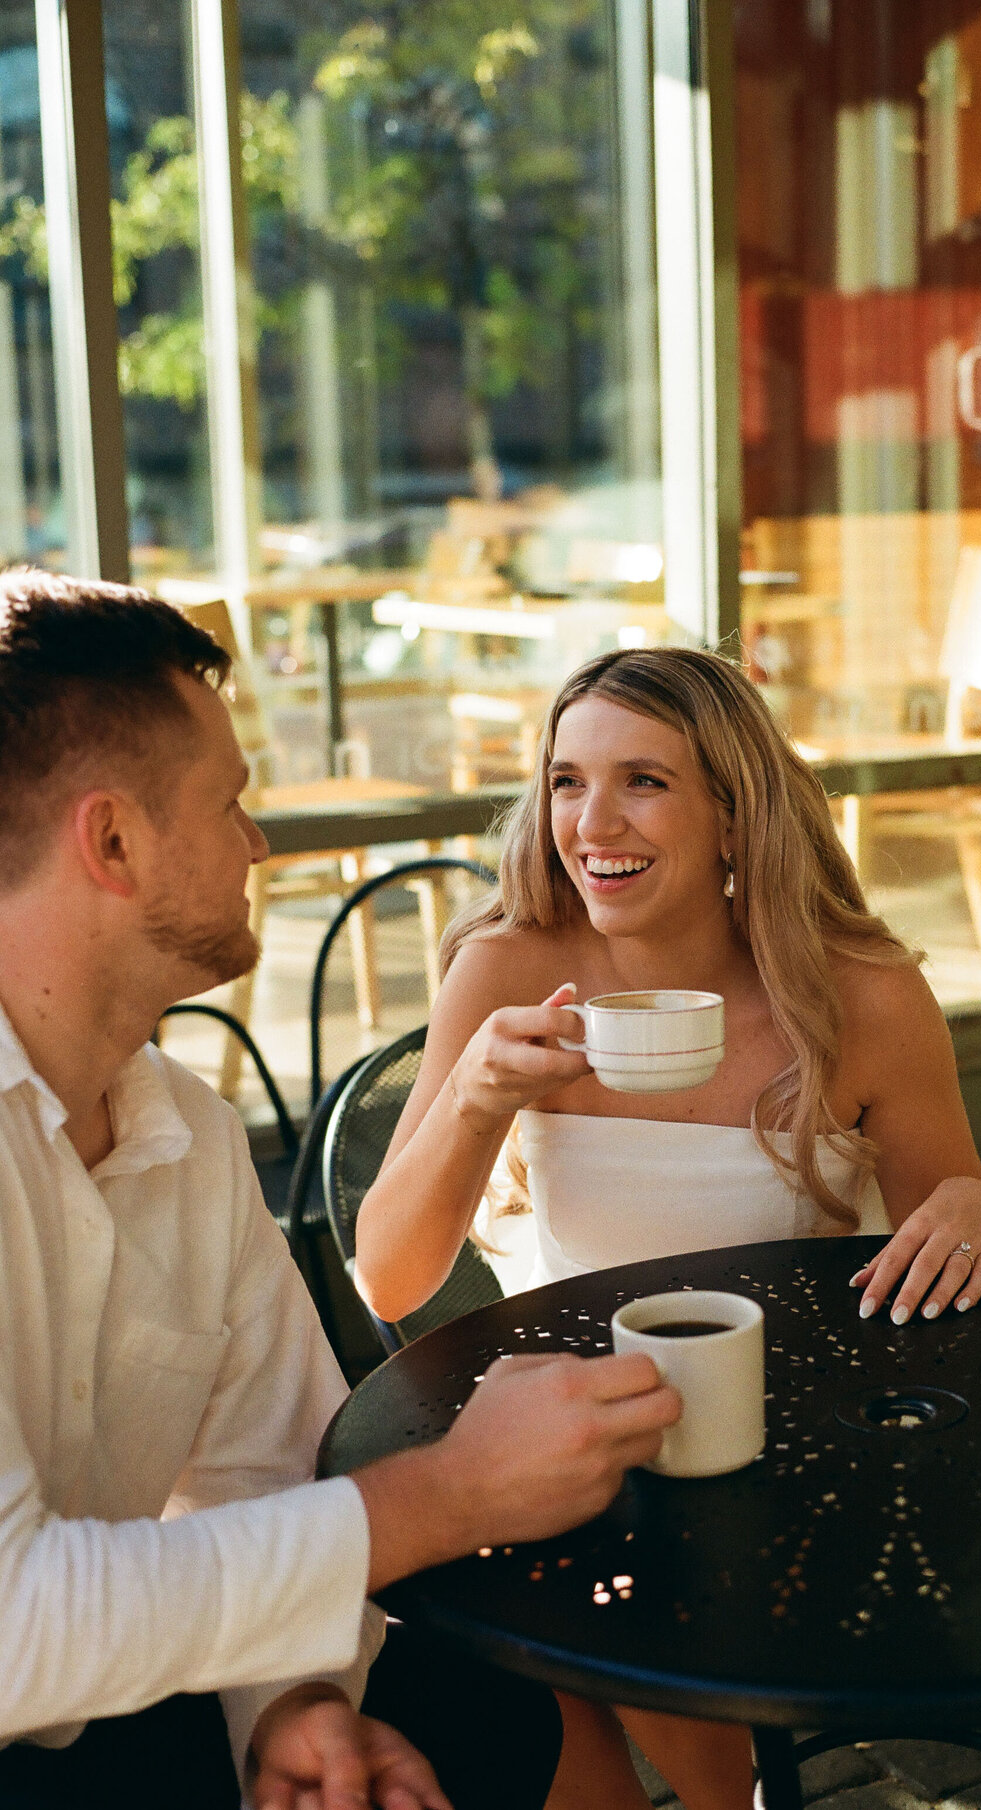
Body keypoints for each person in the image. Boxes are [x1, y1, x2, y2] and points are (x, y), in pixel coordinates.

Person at [0, 571, 681, 1810]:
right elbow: (13, 1629)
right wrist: (456, 1488)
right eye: (231, 803)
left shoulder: (190, 1138)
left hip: (94, 1707)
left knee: (486, 1714)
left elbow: (265, 1461)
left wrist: (295, 1708)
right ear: (112, 841)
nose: (257, 843)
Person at [354, 645, 981, 1810]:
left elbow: (949, 1248)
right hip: (564, 1434)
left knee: (640, 1654)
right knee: (537, 1654)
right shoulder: (510, 965)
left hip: (790, 1447)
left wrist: (977, 1199)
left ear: (734, 819)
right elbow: (390, 1272)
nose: (590, 821)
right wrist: (474, 1097)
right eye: (565, 779)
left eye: (644, 780)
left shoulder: (859, 994)